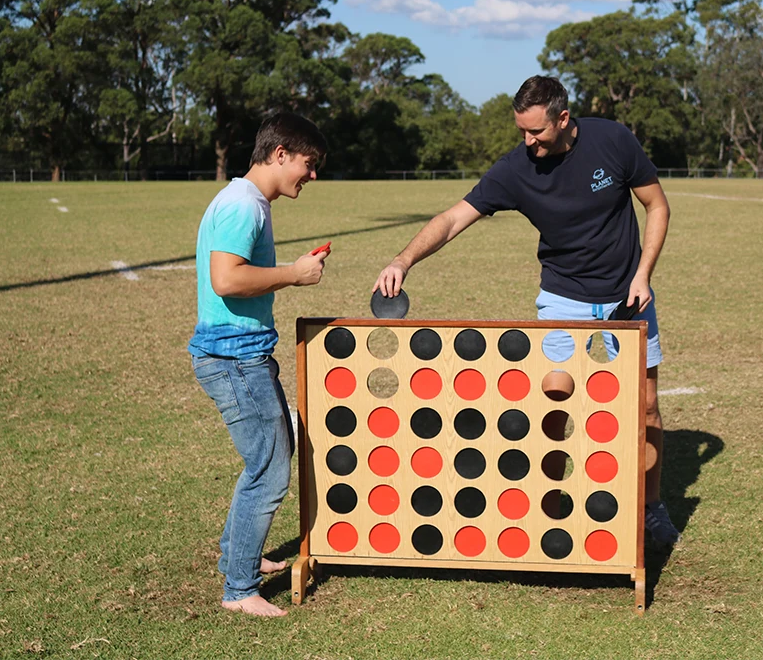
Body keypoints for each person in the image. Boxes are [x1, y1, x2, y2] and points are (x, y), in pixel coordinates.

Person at [372, 76, 679, 549]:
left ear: (562, 118)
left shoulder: (612, 140)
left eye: (536, 132)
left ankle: (651, 510)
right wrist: (402, 259)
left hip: (628, 293)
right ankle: (549, 509)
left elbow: (656, 205)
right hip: (562, 297)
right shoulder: (516, 168)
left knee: (647, 405)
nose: (528, 142)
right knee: (554, 405)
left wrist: (643, 274)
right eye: (521, 132)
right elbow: (454, 217)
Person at [189, 112, 329, 617]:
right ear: (280, 155)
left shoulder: (246, 202)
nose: (312, 176)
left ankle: (237, 555)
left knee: (270, 453)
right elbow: (226, 279)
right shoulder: (243, 206)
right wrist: (293, 274)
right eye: (309, 165)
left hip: (240, 356)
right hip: (234, 359)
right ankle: (239, 590)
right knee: (270, 470)